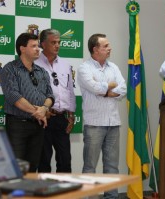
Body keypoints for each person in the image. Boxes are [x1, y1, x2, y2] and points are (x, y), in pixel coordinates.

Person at [77, 33, 127, 199]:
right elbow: (94, 88)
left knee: (112, 166)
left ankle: (111, 196)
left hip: (113, 123)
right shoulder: (84, 68)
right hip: (94, 124)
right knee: (90, 166)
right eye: (105, 46)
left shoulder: (114, 67)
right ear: (95, 49)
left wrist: (105, 91)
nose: (109, 48)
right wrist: (108, 87)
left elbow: (123, 89)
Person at [0, 33, 55, 172]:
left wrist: (43, 109)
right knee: (16, 168)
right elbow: (14, 97)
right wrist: (37, 112)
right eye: (34, 46)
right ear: (22, 48)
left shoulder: (42, 71)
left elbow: (50, 95)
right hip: (18, 125)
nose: (38, 49)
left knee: (32, 167)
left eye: (38, 46)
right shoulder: (10, 69)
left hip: (38, 125)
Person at [35, 29, 76, 173]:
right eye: (53, 42)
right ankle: (45, 195)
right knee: (44, 161)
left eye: (59, 42)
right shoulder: (34, 64)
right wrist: (41, 110)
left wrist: (71, 115)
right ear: (43, 44)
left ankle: (64, 194)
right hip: (43, 119)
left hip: (61, 117)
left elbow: (70, 90)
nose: (57, 45)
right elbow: (31, 92)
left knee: (65, 161)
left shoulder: (65, 64)